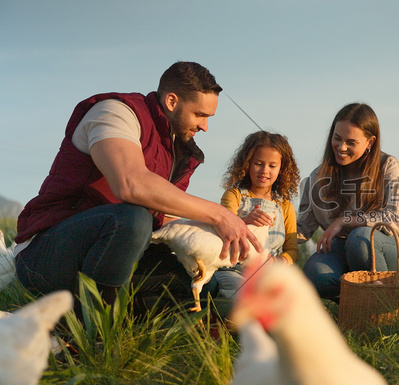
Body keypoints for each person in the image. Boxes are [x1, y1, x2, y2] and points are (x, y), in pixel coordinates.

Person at [13, 61, 262, 312]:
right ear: (172, 101)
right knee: (132, 218)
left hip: (117, 257)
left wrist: (230, 237)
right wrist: (220, 214)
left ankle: (131, 317)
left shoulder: (179, 151)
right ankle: (92, 333)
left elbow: (163, 219)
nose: (204, 126)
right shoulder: (115, 112)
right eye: (199, 115)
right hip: (46, 256)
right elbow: (130, 184)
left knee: (205, 293)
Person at [297, 103, 399, 301]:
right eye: (337, 138)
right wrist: (266, 233)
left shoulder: (388, 166)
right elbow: (303, 227)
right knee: (314, 275)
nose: (341, 147)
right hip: (342, 249)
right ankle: (360, 303)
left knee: (359, 238)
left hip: (389, 248)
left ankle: (386, 303)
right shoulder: (317, 178)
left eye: (350, 142)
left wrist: (345, 220)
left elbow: (395, 218)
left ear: (370, 142)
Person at [212, 130, 300, 299]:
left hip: (269, 273)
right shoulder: (234, 196)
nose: (264, 170)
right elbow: (223, 229)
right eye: (258, 163)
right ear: (247, 164)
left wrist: (279, 262)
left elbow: (291, 249)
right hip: (234, 270)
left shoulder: (285, 206)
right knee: (243, 296)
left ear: (282, 169)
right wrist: (243, 221)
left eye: (272, 166)